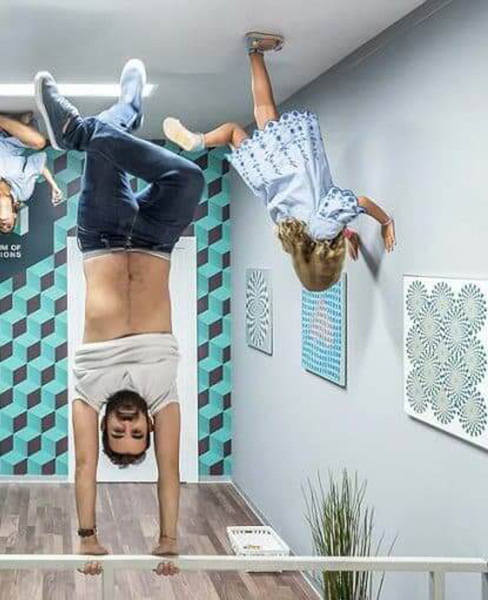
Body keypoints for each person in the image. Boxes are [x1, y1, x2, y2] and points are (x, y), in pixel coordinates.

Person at [35, 58, 205, 578]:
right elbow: (170, 472)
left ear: (105, 425)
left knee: (106, 138)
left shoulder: (88, 393)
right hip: (155, 238)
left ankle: (95, 122)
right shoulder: (164, 399)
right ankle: (115, 110)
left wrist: (88, 538)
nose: (129, 427)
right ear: (149, 430)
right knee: (188, 176)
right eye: (137, 435)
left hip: (103, 235)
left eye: (119, 433)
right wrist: (168, 540)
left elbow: (85, 467)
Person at [163, 32, 396, 292]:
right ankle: (202, 137)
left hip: (291, 164)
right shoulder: (295, 242)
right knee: (236, 129)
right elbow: (319, 223)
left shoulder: (325, 230)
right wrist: (348, 234)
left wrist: (386, 223)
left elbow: (360, 203)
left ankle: (254, 53)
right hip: (268, 178)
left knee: (265, 107)